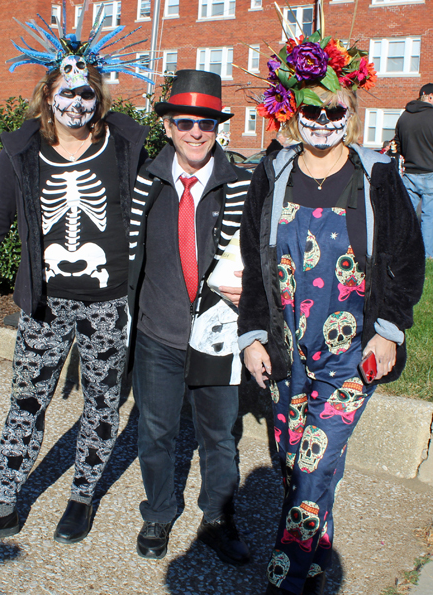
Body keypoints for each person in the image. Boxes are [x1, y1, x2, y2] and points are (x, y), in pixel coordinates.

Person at [0, 4, 152, 547]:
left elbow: (167, 192)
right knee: (25, 404)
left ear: (98, 99)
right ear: (48, 94)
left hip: (106, 300)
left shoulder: (124, 142)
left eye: (87, 94)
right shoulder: (23, 151)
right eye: (67, 92)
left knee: (102, 402)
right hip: (45, 303)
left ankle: (82, 496)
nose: (77, 103)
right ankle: (1, 504)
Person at [238, 33, 425, 595]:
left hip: (352, 354)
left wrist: (389, 331)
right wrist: (252, 336)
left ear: (351, 109)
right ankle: (316, 564)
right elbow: (254, 262)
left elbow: (407, 261)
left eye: (334, 107)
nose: (322, 118)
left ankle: (287, 576)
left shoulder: (378, 178)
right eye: (311, 108)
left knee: (315, 463)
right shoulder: (272, 174)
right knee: (298, 459)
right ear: (294, 109)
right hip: (286, 347)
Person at [129, 69, 252, 565]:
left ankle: (218, 516)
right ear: (167, 127)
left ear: (218, 126)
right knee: (155, 430)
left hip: (218, 335)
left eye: (206, 121)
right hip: (158, 332)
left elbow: (265, 253)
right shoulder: (144, 182)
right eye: (184, 122)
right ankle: (158, 510)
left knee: (219, 434)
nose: (196, 132)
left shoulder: (244, 184)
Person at [395, 83, 433, 259]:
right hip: (430, 173)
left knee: (407, 217)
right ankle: (427, 257)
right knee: (429, 219)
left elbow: (399, 146)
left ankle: (403, 252)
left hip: (409, 174)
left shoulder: (404, 116)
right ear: (429, 96)